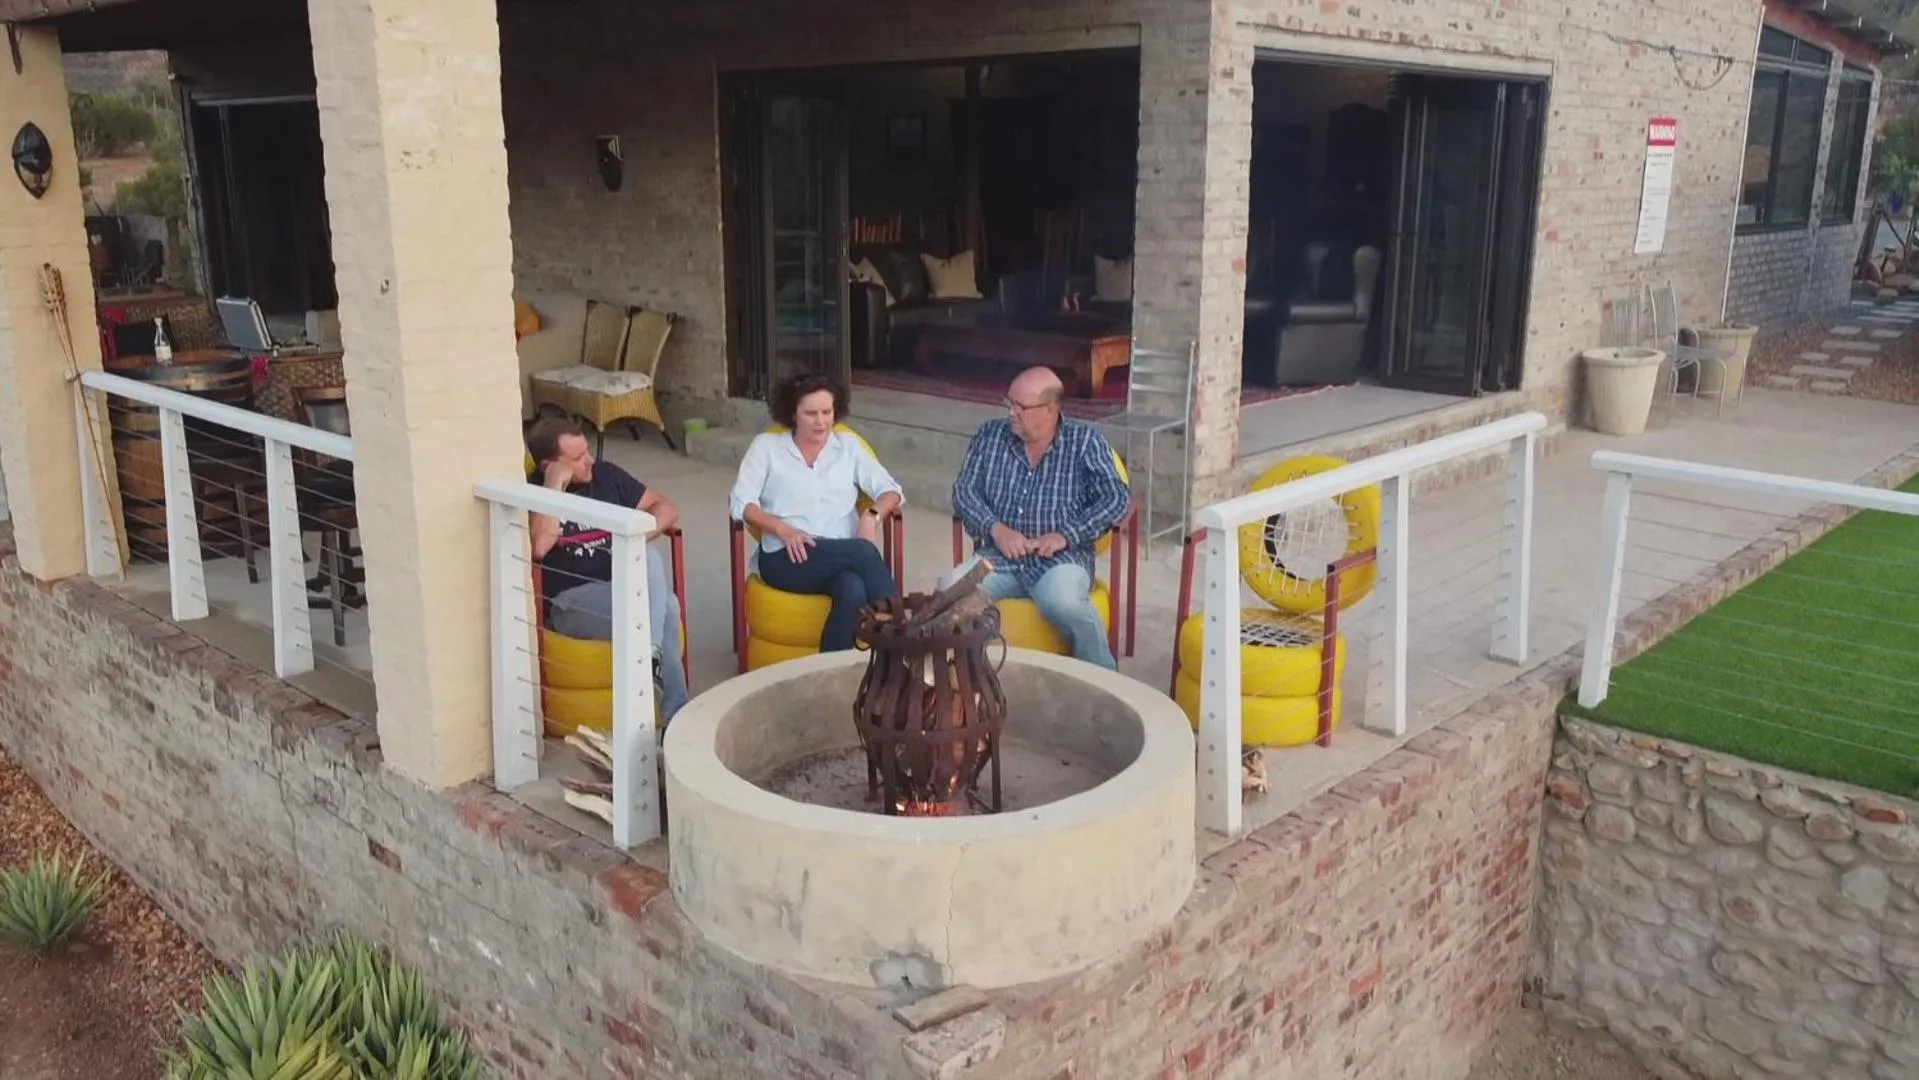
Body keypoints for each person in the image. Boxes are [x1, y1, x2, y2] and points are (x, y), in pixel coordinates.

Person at [950, 366, 1130, 670]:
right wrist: (996, 530)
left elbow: (1116, 497)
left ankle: (1105, 681)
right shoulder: (990, 435)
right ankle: (965, 684)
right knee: (949, 590)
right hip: (999, 556)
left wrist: (1066, 535)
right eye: (1009, 403)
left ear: (1051, 409)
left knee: (1062, 601)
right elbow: (963, 492)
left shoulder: (1085, 441)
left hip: (1060, 558)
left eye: (1021, 407)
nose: (1012, 413)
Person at [526, 418, 690, 722]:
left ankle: (651, 656)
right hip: (573, 603)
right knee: (667, 606)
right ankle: (676, 716)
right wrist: (553, 487)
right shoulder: (534, 493)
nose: (590, 461)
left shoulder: (606, 476)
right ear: (549, 465)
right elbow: (539, 546)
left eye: (587, 451)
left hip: (622, 587)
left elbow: (665, 507)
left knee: (647, 554)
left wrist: (632, 538)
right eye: (576, 459)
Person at [729, 372, 904, 652]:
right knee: (863, 552)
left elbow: (891, 490)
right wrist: (781, 529)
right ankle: (902, 638)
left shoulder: (848, 447)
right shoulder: (767, 448)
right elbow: (741, 503)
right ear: (793, 413)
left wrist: (871, 516)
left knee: (853, 587)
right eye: (811, 413)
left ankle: (830, 675)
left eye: (827, 412)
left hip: (839, 554)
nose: (821, 421)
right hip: (787, 556)